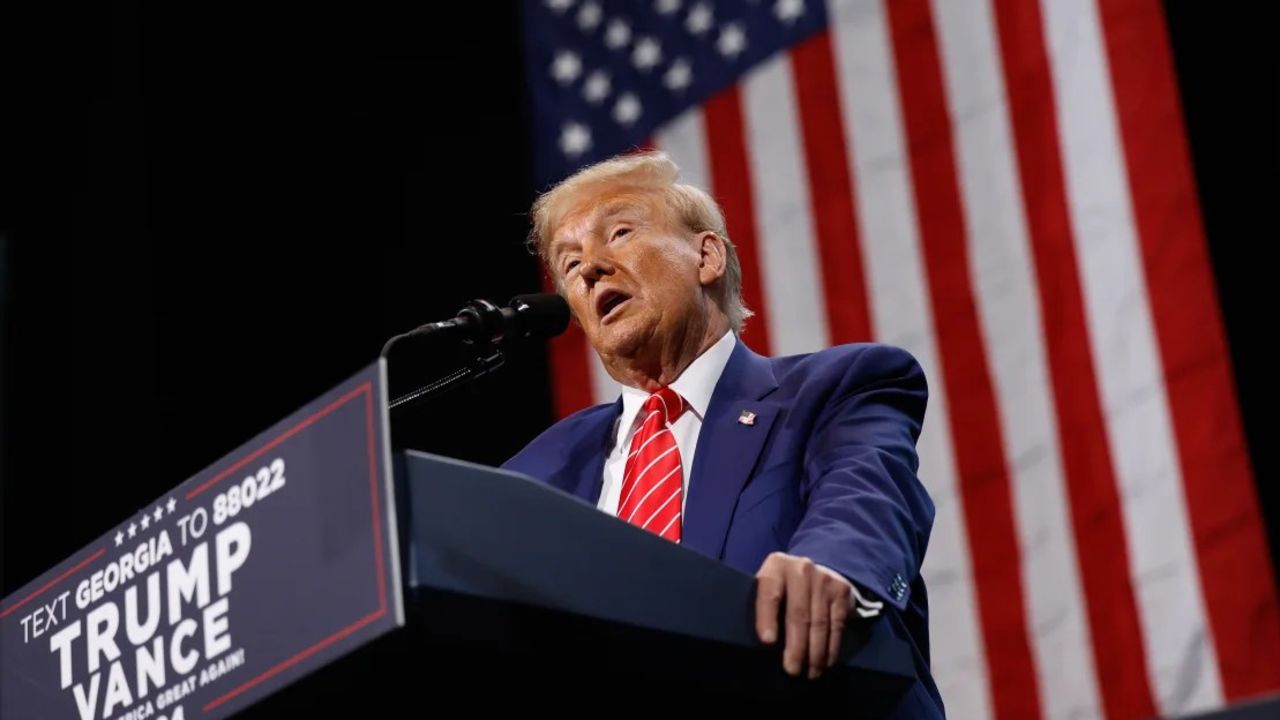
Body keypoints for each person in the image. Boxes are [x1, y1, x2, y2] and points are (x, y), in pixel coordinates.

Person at [502, 150, 942, 716]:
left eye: (620, 232)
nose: (589, 268)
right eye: (568, 264)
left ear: (705, 256)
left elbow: (866, 492)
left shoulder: (832, 390)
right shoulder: (534, 475)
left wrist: (835, 567)